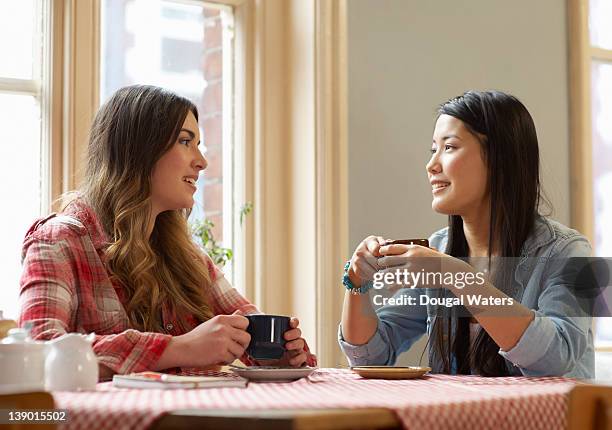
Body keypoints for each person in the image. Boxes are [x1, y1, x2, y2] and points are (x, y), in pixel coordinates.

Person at [19, 85, 315, 379]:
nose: (201, 161)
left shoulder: (189, 258)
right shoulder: (58, 242)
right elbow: (37, 354)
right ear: (138, 150)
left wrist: (282, 354)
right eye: (186, 141)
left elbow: (250, 327)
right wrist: (178, 348)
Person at [339, 90, 594, 377]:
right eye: (432, 149)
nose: (431, 165)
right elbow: (372, 354)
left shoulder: (573, 251)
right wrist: (357, 283)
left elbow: (557, 357)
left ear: (500, 157)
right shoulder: (439, 250)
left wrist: (456, 275)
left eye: (449, 147)